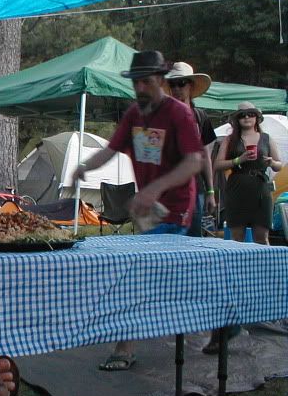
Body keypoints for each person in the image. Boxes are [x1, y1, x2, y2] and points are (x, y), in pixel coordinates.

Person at [72, 50, 203, 371]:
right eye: (136, 82)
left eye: (146, 82)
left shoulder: (179, 114)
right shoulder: (134, 114)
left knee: (138, 274)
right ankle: (226, 322)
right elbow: (111, 149)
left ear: (160, 80)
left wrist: (156, 188)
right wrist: (84, 167)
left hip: (175, 209)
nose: (140, 88)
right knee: (174, 278)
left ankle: (124, 348)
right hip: (147, 211)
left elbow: (194, 161)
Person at [201, 101, 283, 354]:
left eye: (251, 114)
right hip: (237, 188)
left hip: (261, 188)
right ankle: (237, 284)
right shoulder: (230, 139)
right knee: (236, 238)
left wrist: (270, 161)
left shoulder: (266, 138)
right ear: (237, 119)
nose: (247, 118)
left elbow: (280, 165)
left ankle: (264, 284)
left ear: (257, 118)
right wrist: (239, 159)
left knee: (262, 237)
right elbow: (217, 165)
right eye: (242, 115)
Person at [165, 62, 218, 236]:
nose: (176, 88)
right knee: (166, 242)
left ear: (191, 86)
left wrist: (210, 191)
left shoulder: (200, 116)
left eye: (181, 83)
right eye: (172, 84)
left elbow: (206, 157)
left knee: (194, 240)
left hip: (195, 190)